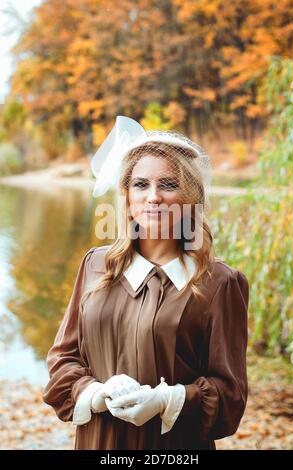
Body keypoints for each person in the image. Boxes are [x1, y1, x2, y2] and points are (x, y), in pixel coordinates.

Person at [42, 116, 249, 450]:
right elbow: (63, 359)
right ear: (126, 195)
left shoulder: (220, 283)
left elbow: (231, 395)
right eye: (141, 185)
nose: (153, 197)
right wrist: (96, 394)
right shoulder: (96, 266)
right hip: (100, 442)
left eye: (168, 184)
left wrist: (167, 400)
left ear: (191, 195)